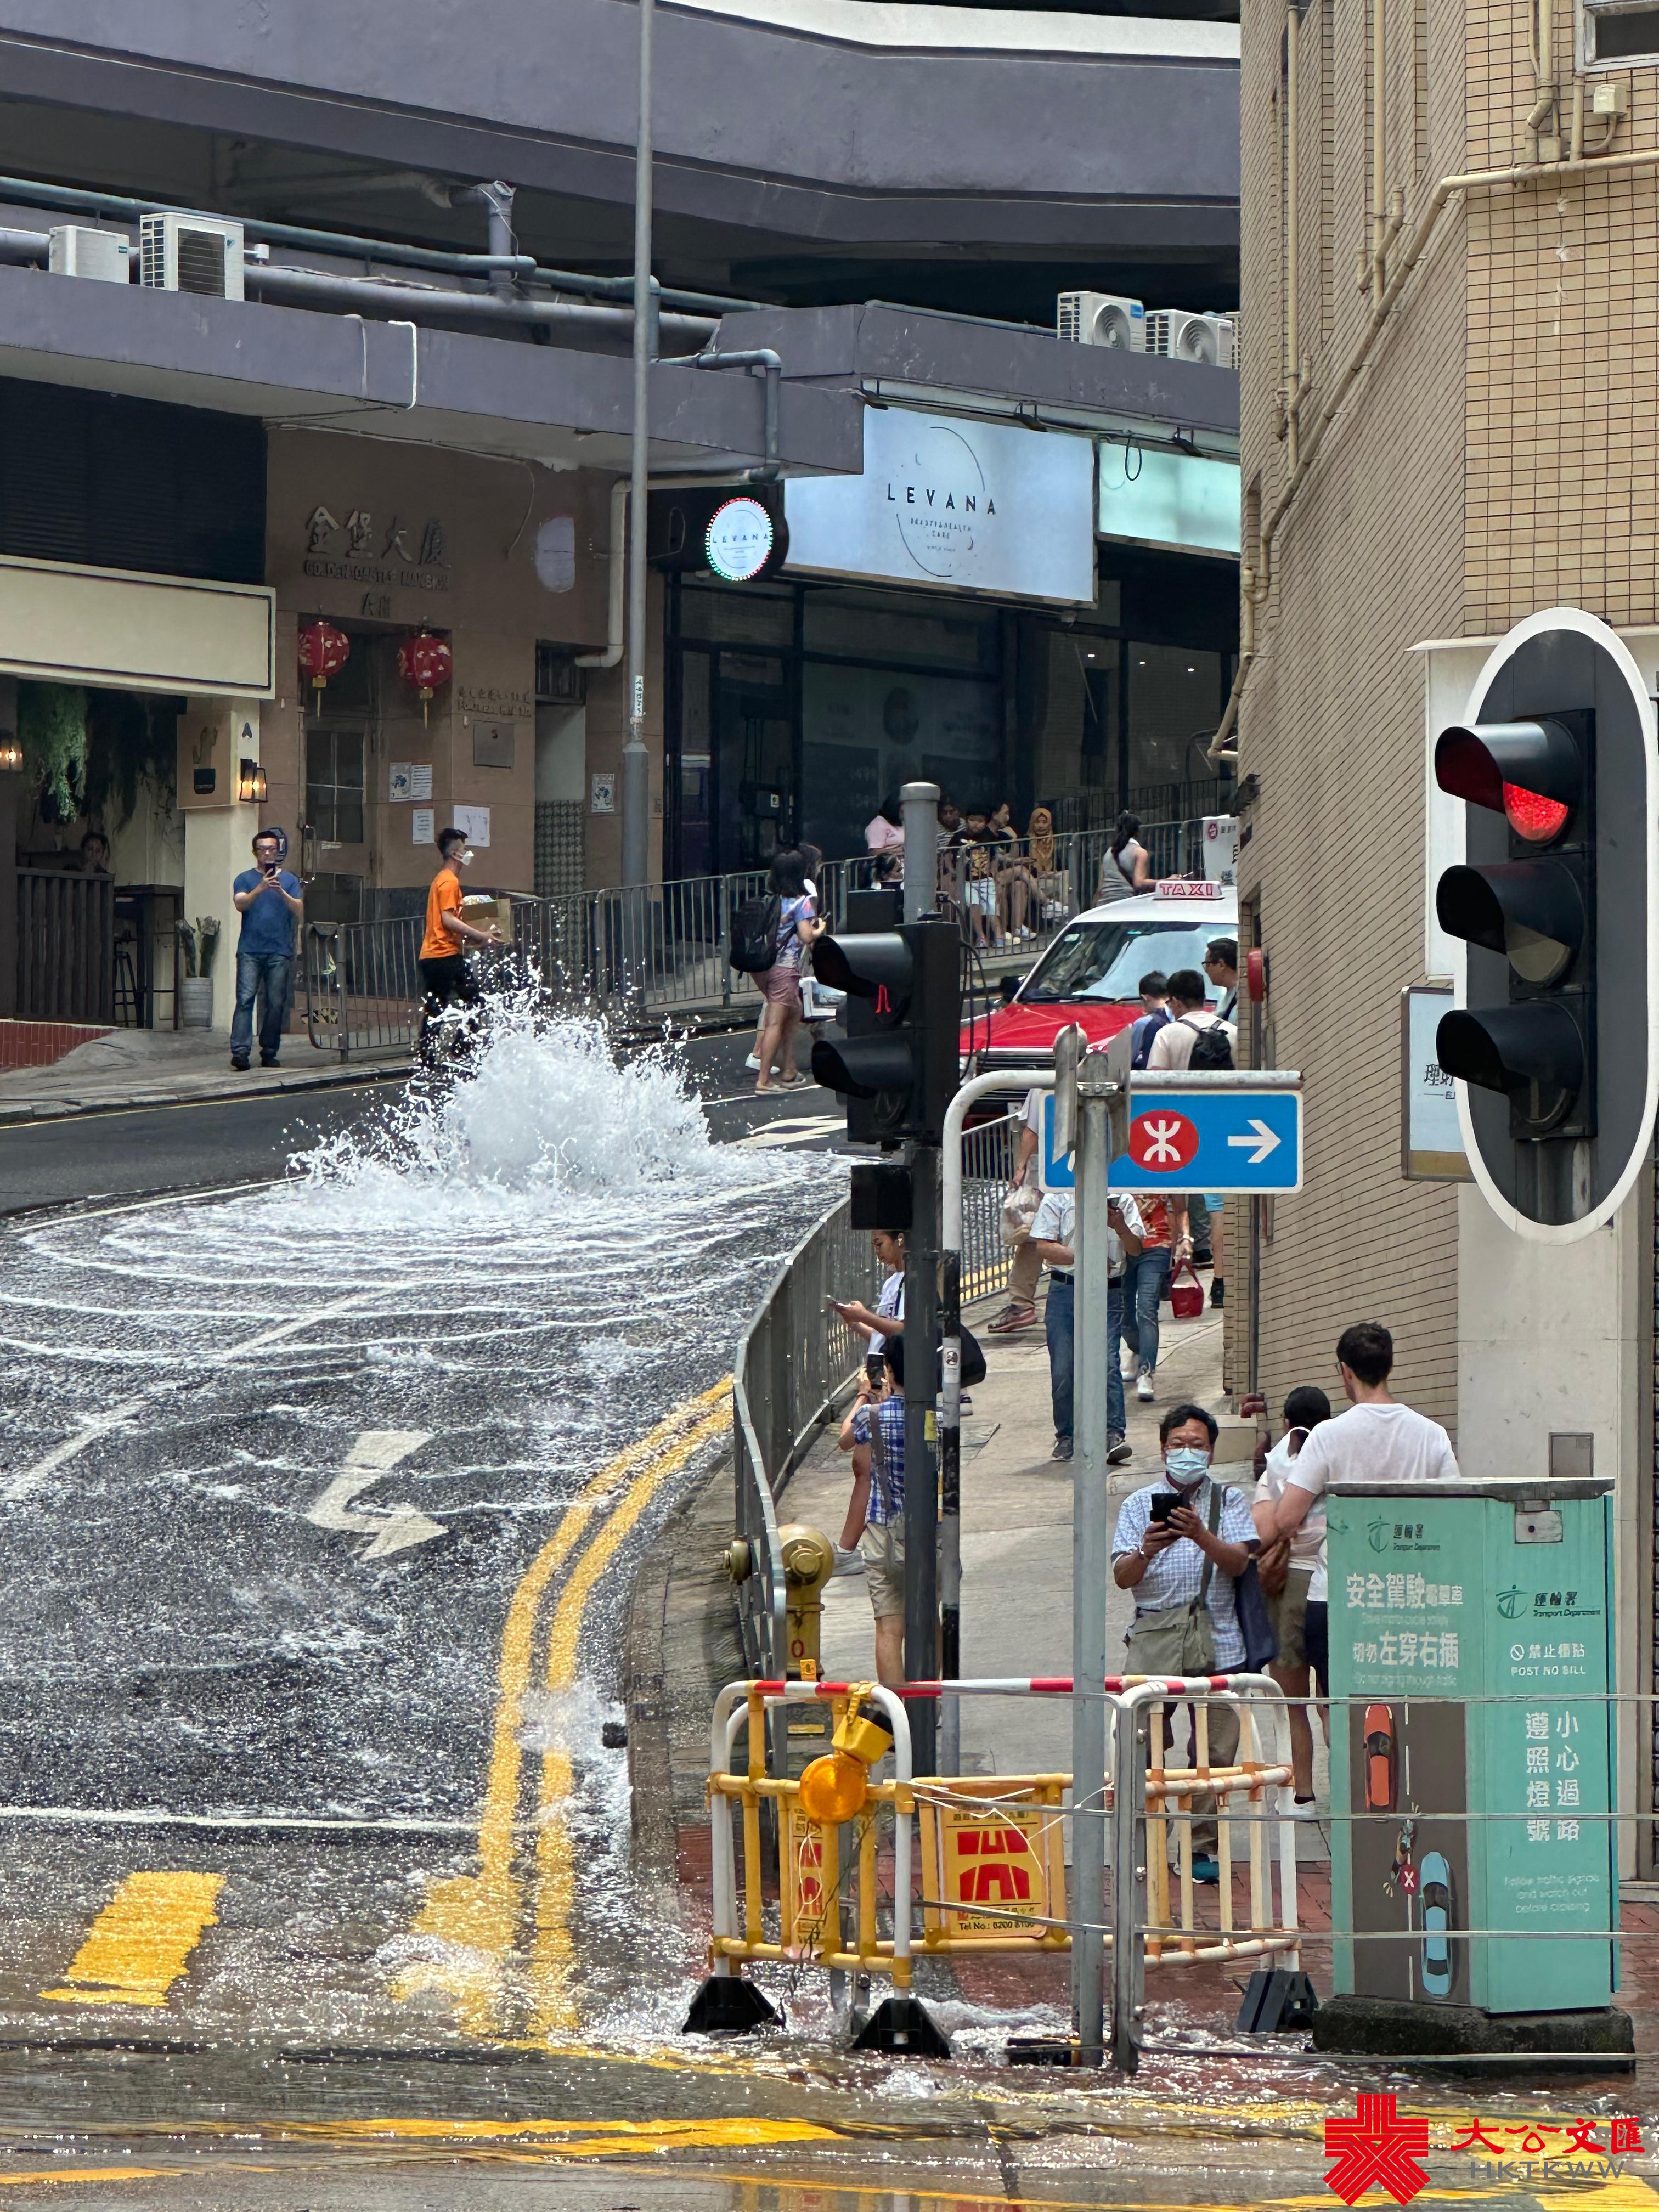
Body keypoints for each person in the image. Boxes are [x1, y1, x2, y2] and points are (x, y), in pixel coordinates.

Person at [1113, 1403, 1258, 1880]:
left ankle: (1199, 1848)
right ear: (1163, 1450)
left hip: (1220, 1642)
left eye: (1197, 1445)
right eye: (1178, 1444)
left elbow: (1238, 1563)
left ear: (1211, 1452)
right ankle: (1152, 1840)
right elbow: (1122, 1577)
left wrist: (1200, 1534)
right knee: (1144, 1746)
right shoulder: (1138, 1505)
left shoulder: (1229, 1501)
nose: (1187, 1452)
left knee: (1214, 1753)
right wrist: (1145, 1549)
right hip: (1155, 1641)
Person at [1273, 1324, 1460, 1611]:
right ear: (1390, 1367)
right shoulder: (1432, 1434)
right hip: (1410, 1591)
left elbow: (1286, 1519)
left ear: (1346, 1371)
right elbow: (1456, 1515)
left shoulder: (1327, 1435)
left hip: (1340, 1592)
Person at [1251, 1385, 1333, 1814]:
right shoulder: (1339, 1457)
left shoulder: (1276, 1467)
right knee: (1333, 1701)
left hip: (1288, 1587)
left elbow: (1265, 1530)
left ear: (1286, 1422)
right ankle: (1350, 1792)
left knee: (1293, 1703)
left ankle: (1302, 1796)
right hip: (1335, 1585)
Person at [1031, 1180, 1141, 1464]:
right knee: (1063, 1366)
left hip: (1108, 1291)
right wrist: (1087, 1257)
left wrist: (1120, 1226)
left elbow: (1136, 1249)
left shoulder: (1122, 1198)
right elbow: (1044, 1246)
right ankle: (1066, 1435)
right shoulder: (1058, 1197)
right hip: (1065, 1289)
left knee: (1107, 1362)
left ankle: (1114, 1433)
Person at [837, 1335, 910, 1686]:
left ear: (889, 1372)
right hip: (932, 1533)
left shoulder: (873, 1416)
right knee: (929, 1619)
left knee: (889, 1627)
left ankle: (898, 1709)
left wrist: (864, 1395)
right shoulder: (941, 1419)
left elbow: (845, 1439)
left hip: (885, 1533)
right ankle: (931, 1707)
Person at [416, 827, 500, 1061]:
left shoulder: (441, 880)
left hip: (433, 956)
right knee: (475, 1001)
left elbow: (449, 923)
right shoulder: (449, 882)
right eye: (464, 849)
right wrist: (481, 936)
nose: (468, 853)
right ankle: (461, 1048)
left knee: (437, 1007)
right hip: (444, 955)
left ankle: (428, 1057)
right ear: (455, 854)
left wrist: (474, 937)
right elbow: (448, 920)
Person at [229, 827, 303, 1072]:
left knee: (275, 1002)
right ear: (255, 852)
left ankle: (269, 1052)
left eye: (272, 849)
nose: (268, 853)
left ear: (278, 851)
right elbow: (240, 904)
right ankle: (240, 1052)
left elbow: (299, 909)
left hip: (279, 950)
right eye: (263, 849)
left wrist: (280, 891)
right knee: (245, 999)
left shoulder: (290, 880)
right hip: (250, 949)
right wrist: (261, 888)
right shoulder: (244, 878)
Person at [754, 848, 825, 1092]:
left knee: (794, 1012)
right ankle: (763, 1080)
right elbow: (806, 936)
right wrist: (819, 929)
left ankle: (789, 1069)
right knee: (775, 1022)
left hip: (761, 967)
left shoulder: (769, 900)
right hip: (783, 968)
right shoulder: (801, 903)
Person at [1117, 1188, 1189, 1402]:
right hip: (1119, 1245)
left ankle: (1146, 1372)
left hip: (1157, 1244)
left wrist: (1185, 1238)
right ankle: (1139, 1349)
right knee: (1122, 1310)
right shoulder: (1118, 1169)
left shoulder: (1164, 1172)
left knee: (1147, 1308)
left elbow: (1181, 1208)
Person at [986, 1086, 1045, 1335]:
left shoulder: (1041, 1086)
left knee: (1033, 1239)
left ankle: (1022, 1303)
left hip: (1045, 1175)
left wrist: (1020, 1168)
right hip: (1076, 1172)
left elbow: (1031, 1132)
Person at [828, 1227, 905, 1386]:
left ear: (899, 1240)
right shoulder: (890, 1283)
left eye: (880, 1244)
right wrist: (855, 1322)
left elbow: (902, 1331)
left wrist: (864, 1316)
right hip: (881, 1379)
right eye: (874, 1246)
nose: (877, 1252)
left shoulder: (911, 1281)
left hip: (898, 1380)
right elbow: (883, 1339)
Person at [1096, 810, 1152, 903]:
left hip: (1104, 905)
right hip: (1126, 904)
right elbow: (1139, 883)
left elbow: (1100, 887)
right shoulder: (1140, 852)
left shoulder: (1108, 852)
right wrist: (1165, 882)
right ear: (1138, 832)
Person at [1129, 971, 1171, 1069]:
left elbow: (1128, 1059)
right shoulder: (1179, 1017)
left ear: (1145, 998)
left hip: (1151, 1076)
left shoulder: (1143, 1024)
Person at [865, 794, 905, 883]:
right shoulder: (878, 824)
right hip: (887, 869)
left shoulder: (899, 824)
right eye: (902, 811)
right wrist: (894, 852)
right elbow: (874, 852)